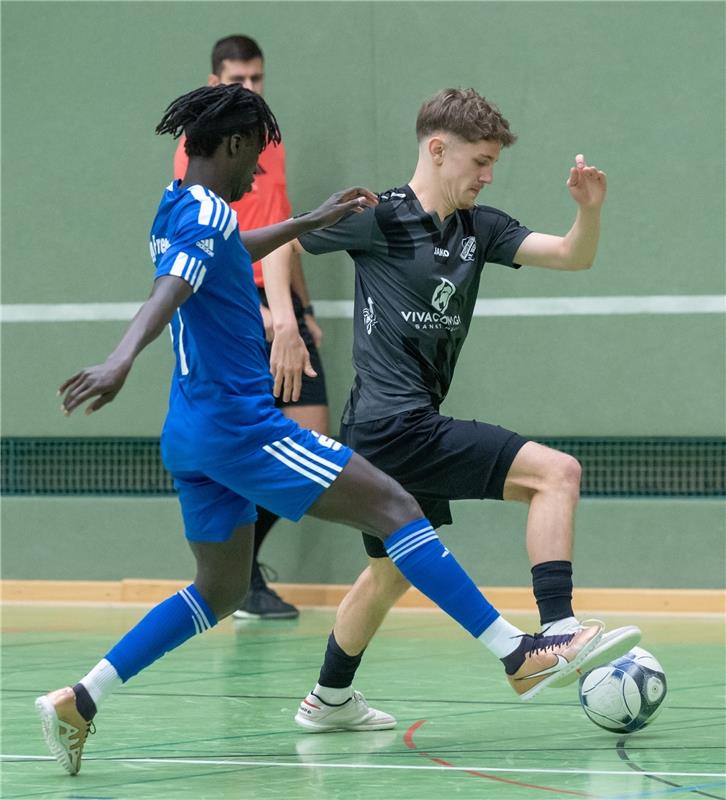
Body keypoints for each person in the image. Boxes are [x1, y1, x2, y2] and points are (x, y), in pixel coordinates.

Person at [35, 84, 606, 776]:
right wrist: (120, 357)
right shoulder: (212, 208)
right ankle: (517, 654)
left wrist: (309, 218)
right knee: (399, 508)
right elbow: (176, 285)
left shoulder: (178, 206)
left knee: (216, 590)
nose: (260, 177)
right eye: (260, 161)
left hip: (188, 431)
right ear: (237, 145)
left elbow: (226, 247)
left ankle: (81, 698)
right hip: (241, 426)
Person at [261, 88, 641, 733]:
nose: (488, 175)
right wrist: (285, 324)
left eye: (494, 164)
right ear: (438, 150)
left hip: (383, 430)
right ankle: (558, 631)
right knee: (557, 474)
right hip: (393, 422)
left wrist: (589, 213)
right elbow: (280, 243)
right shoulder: (375, 215)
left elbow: (574, 255)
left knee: (387, 577)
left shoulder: (480, 228)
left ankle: (327, 700)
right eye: (480, 162)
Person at [173, 34, 329, 620]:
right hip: (242, 305)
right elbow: (219, 247)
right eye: (239, 81)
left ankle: (246, 570)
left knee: (315, 432)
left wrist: (302, 312)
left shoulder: (269, 145)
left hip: (280, 299)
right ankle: (238, 581)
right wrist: (263, 314)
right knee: (250, 439)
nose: (251, 90)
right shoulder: (205, 151)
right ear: (215, 82)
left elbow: (281, 231)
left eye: (258, 80)